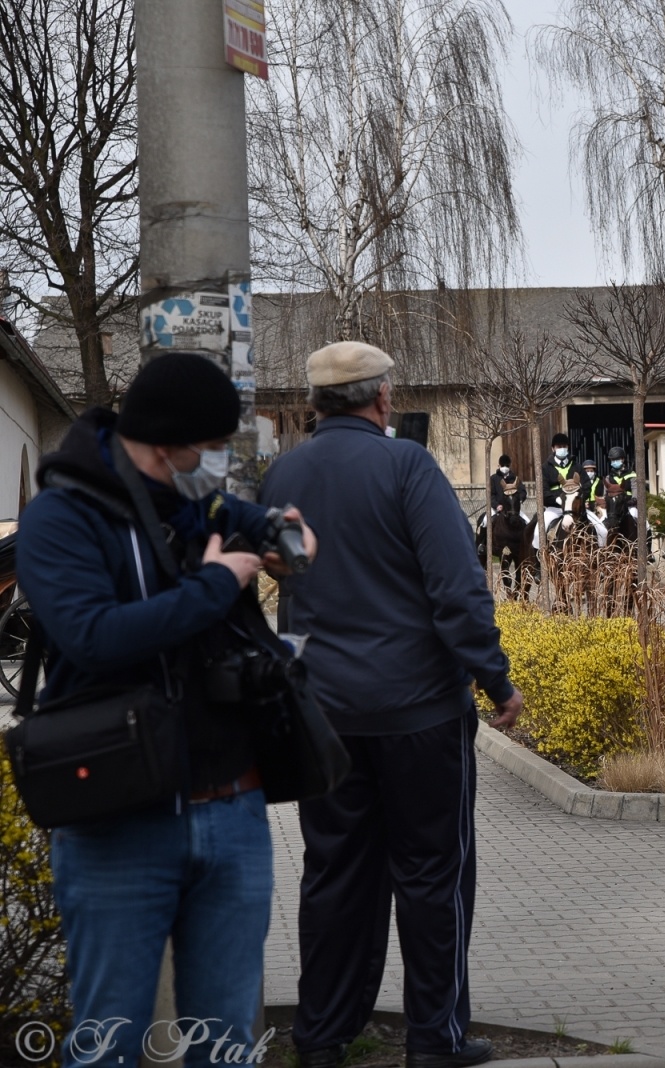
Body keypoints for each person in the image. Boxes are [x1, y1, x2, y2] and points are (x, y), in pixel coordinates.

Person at [16, 352, 318, 1068]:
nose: (218, 464)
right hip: (119, 823)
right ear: (164, 444)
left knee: (227, 1048)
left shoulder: (200, 504)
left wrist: (288, 541)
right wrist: (217, 584)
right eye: (210, 450)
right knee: (109, 1045)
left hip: (232, 815)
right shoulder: (62, 518)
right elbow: (94, 638)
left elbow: (270, 528)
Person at [259, 341, 522, 1068]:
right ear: (381, 400)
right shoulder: (408, 467)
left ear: (317, 405)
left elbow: (279, 584)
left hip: (326, 718)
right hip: (417, 714)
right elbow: (457, 591)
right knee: (433, 878)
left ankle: (321, 1038)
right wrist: (496, 681)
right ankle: (435, 1041)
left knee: (335, 875)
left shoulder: (281, 473)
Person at [594, 445, 639, 548]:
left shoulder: (632, 475)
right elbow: (606, 494)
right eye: (612, 460)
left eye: (616, 459)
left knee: (644, 523)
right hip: (614, 508)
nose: (614, 462)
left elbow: (635, 489)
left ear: (622, 459)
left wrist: (633, 499)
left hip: (629, 505)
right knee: (600, 525)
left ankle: (647, 550)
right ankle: (601, 548)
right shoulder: (609, 477)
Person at [540, 433, 580, 531]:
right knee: (538, 533)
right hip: (555, 508)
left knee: (602, 530)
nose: (562, 449)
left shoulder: (576, 466)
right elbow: (543, 491)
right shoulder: (545, 468)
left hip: (575, 509)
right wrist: (556, 499)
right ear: (553, 449)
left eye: (564, 446)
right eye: (559, 447)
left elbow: (587, 485)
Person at [489, 453, 525, 518]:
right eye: (502, 465)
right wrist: (496, 505)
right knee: (485, 522)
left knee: (527, 522)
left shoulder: (515, 478)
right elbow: (491, 495)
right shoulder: (493, 478)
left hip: (513, 509)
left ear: (510, 465)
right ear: (499, 465)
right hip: (497, 509)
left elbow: (522, 491)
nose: (505, 467)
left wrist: (519, 500)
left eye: (507, 465)